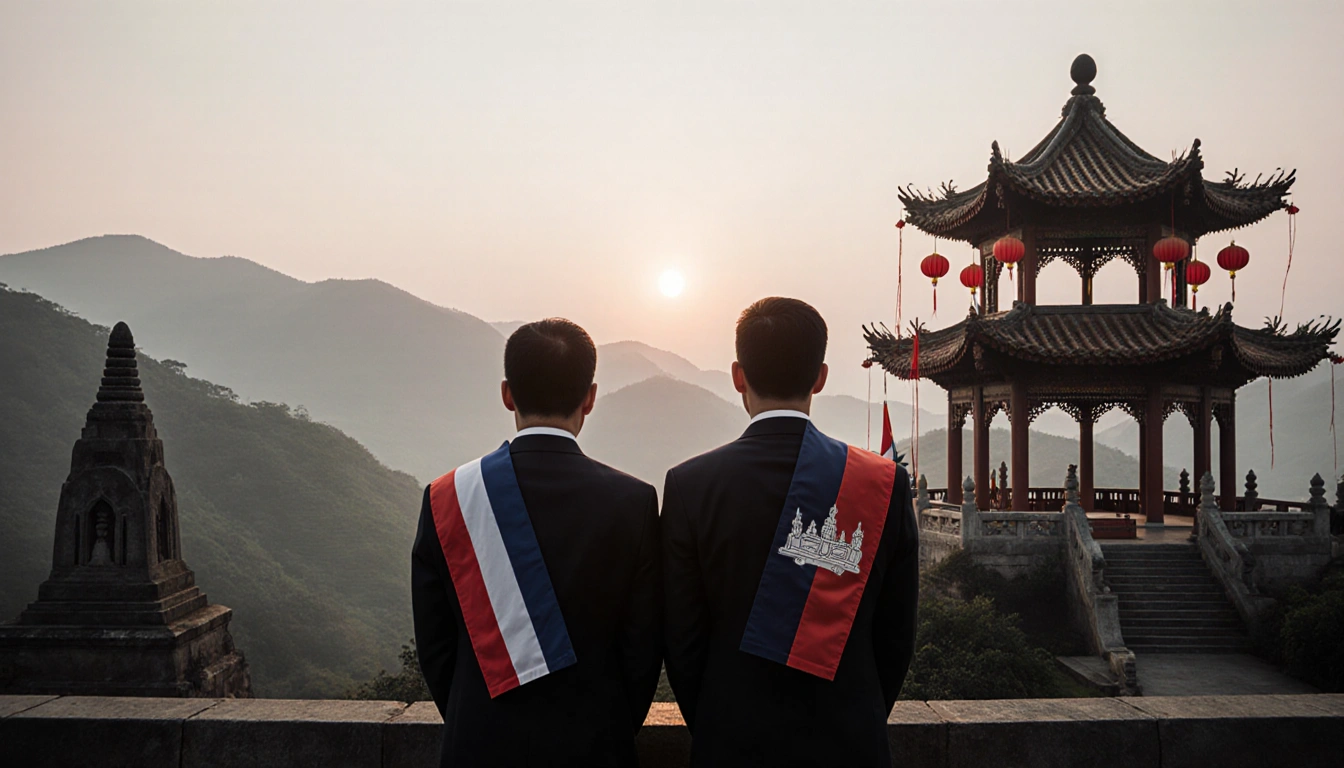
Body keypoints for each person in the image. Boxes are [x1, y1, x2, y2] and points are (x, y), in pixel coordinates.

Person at [661, 297, 919, 767]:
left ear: (738, 375)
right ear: (820, 377)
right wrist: (856, 715)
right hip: (849, 742)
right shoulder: (882, 484)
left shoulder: (689, 485)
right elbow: (896, 637)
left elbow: (681, 640)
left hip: (730, 740)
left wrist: (719, 720)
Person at [412, 318, 661, 767]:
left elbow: (435, 646)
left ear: (507, 393)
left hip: (478, 743)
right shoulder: (633, 502)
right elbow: (642, 650)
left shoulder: (449, 497)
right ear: (590, 398)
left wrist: (477, 715)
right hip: (595, 746)